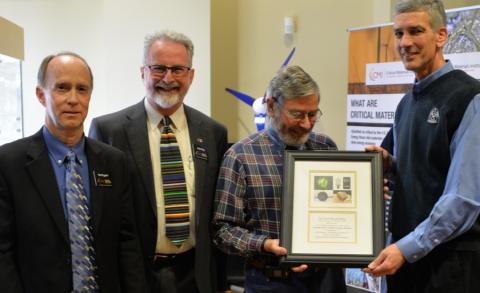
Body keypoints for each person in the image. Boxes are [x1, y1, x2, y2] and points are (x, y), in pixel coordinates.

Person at [89, 30, 228, 293]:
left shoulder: (213, 132)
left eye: (178, 69)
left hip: (195, 276)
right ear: (142, 72)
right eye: (158, 68)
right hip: (134, 276)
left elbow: (215, 213)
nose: (168, 78)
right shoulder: (108, 131)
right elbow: (102, 216)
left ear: (191, 75)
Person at [0, 52, 146, 292]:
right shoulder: (8, 163)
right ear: (40, 94)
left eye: (82, 89)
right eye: (62, 88)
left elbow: (127, 243)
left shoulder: (113, 162)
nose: (73, 99)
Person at [363, 1, 480, 292]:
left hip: (449, 265)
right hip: (407, 259)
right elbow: (421, 173)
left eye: (416, 31)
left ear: (441, 36)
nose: (406, 43)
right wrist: (389, 164)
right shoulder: (406, 104)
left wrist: (406, 248)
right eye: (399, 33)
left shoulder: (470, 97)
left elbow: (464, 199)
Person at [212, 65, 346, 292]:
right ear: (272, 106)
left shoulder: (325, 147)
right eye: (297, 114)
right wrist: (264, 244)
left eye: (312, 114)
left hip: (326, 281)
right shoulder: (241, 156)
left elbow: (339, 208)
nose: (306, 123)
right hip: (270, 282)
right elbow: (223, 230)